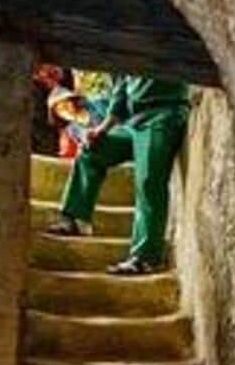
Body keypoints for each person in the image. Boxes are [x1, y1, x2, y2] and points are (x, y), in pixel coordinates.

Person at [46, 73, 190, 276]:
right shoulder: (127, 62)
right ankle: (76, 219)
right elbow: (120, 95)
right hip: (132, 123)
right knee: (91, 152)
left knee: (149, 179)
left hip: (163, 115)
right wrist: (101, 130)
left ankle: (146, 258)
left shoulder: (161, 43)